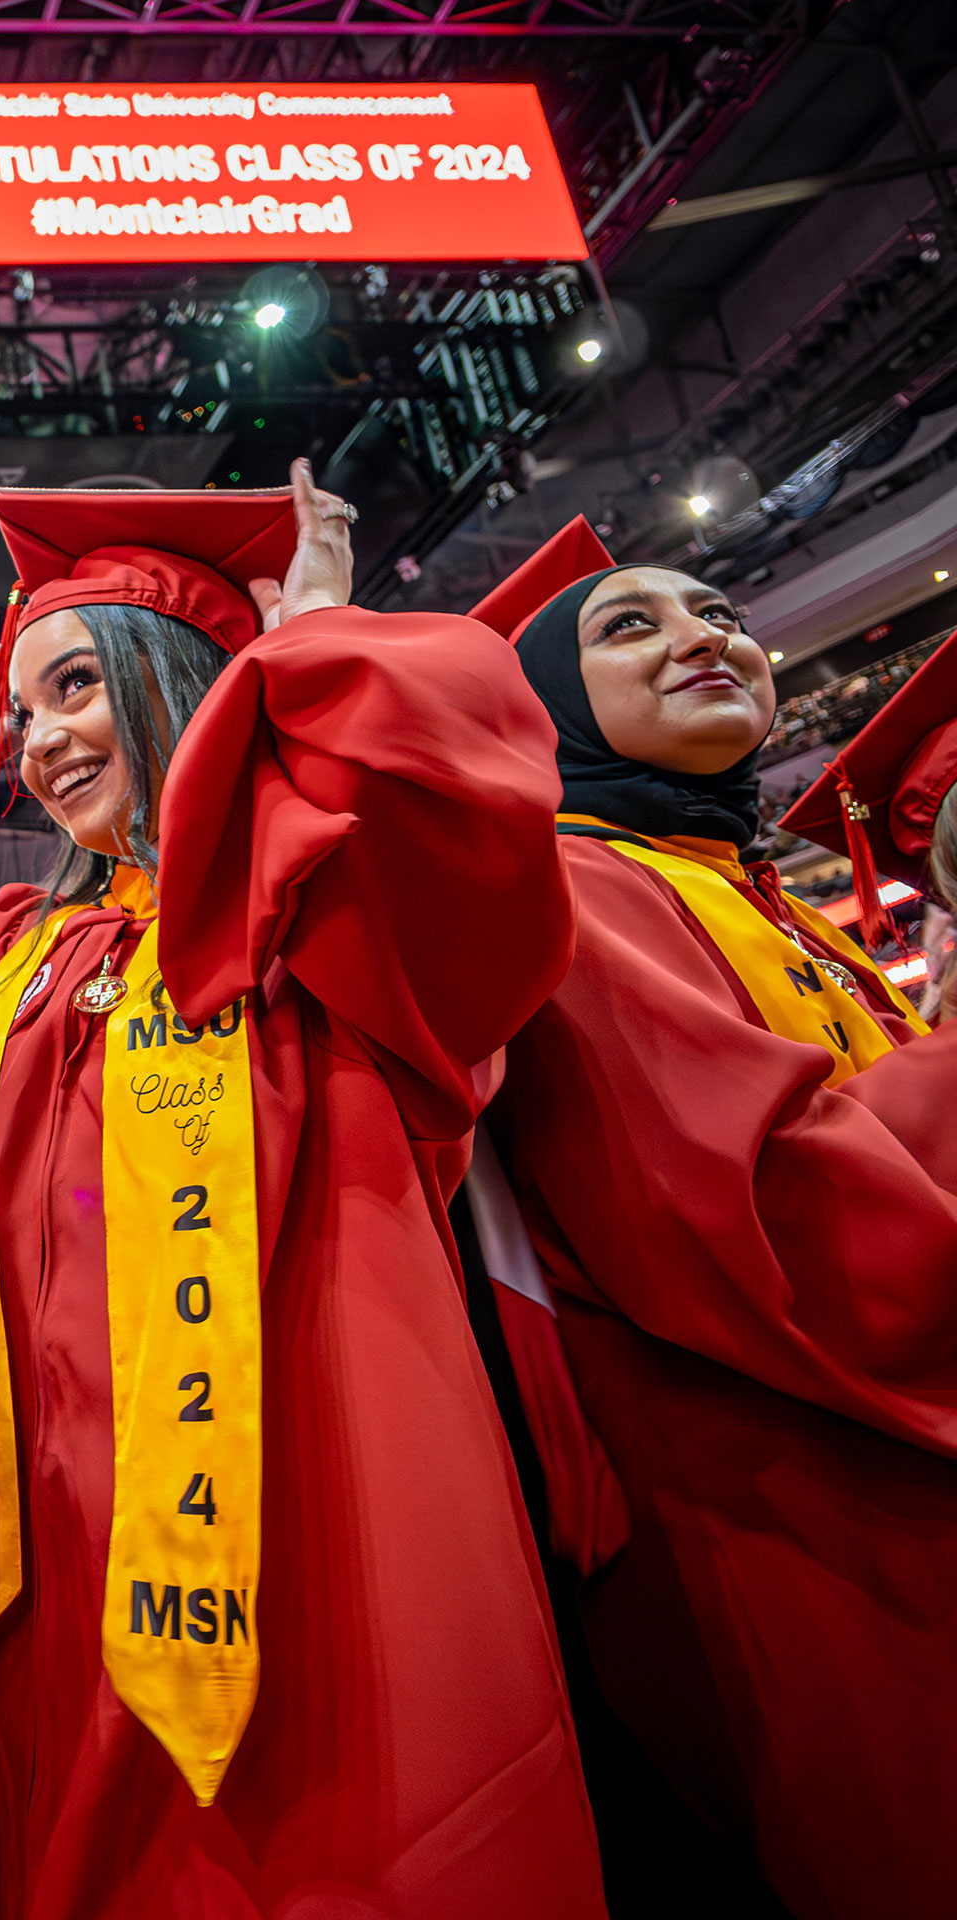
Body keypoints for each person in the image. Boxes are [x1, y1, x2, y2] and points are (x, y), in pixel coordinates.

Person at [0, 463, 606, 1918]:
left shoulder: (314, 906)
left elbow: (445, 776)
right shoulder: (16, 953)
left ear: (190, 680)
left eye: (79, 688)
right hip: (50, 1524)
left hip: (302, 1495)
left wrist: (305, 643)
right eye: (26, 713)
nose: (42, 741)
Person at [458, 521, 957, 1918]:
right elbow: (756, 1209)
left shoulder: (760, 899)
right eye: (628, 629)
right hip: (810, 1490)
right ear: (548, 710)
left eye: (717, 609)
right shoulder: (575, 892)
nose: (699, 636)